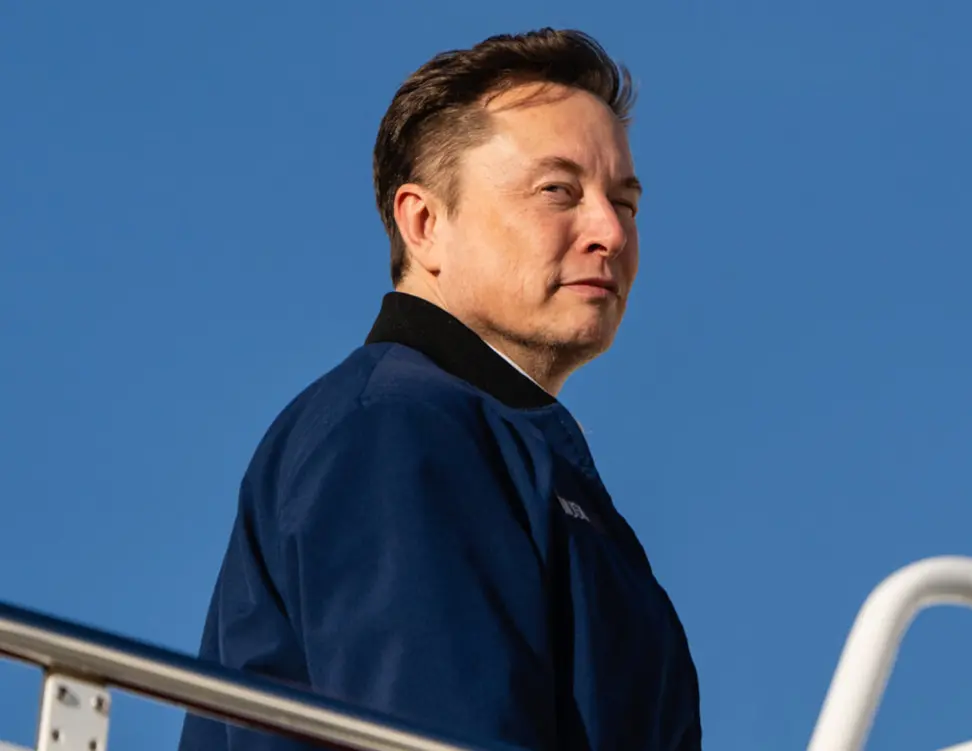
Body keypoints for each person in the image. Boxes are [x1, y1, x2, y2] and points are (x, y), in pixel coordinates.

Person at [178, 28, 702, 751]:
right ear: (424, 223)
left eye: (625, 202)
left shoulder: (501, 447)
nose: (610, 232)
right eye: (557, 191)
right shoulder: (396, 428)